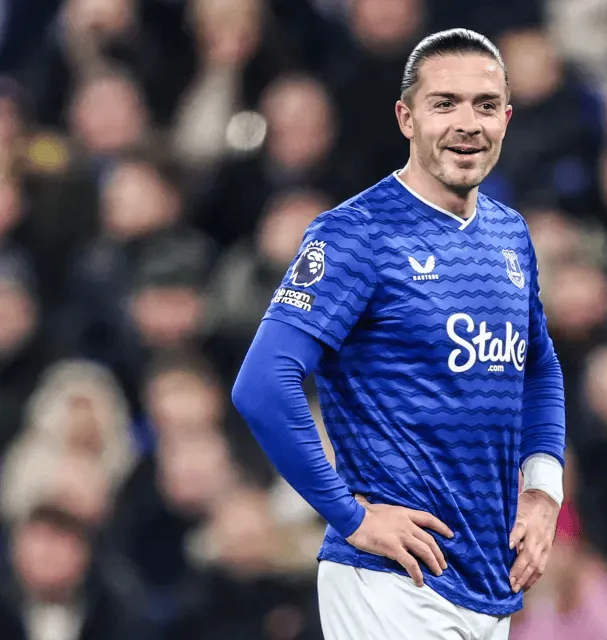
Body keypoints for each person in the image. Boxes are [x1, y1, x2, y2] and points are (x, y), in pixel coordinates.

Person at [231, 28, 567, 640]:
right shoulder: (356, 234)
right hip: (392, 582)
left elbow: (539, 365)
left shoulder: (509, 233)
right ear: (406, 118)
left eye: (485, 105)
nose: (467, 124)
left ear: (507, 119)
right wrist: (351, 517)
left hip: (487, 580)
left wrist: (544, 491)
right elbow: (262, 383)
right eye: (445, 103)